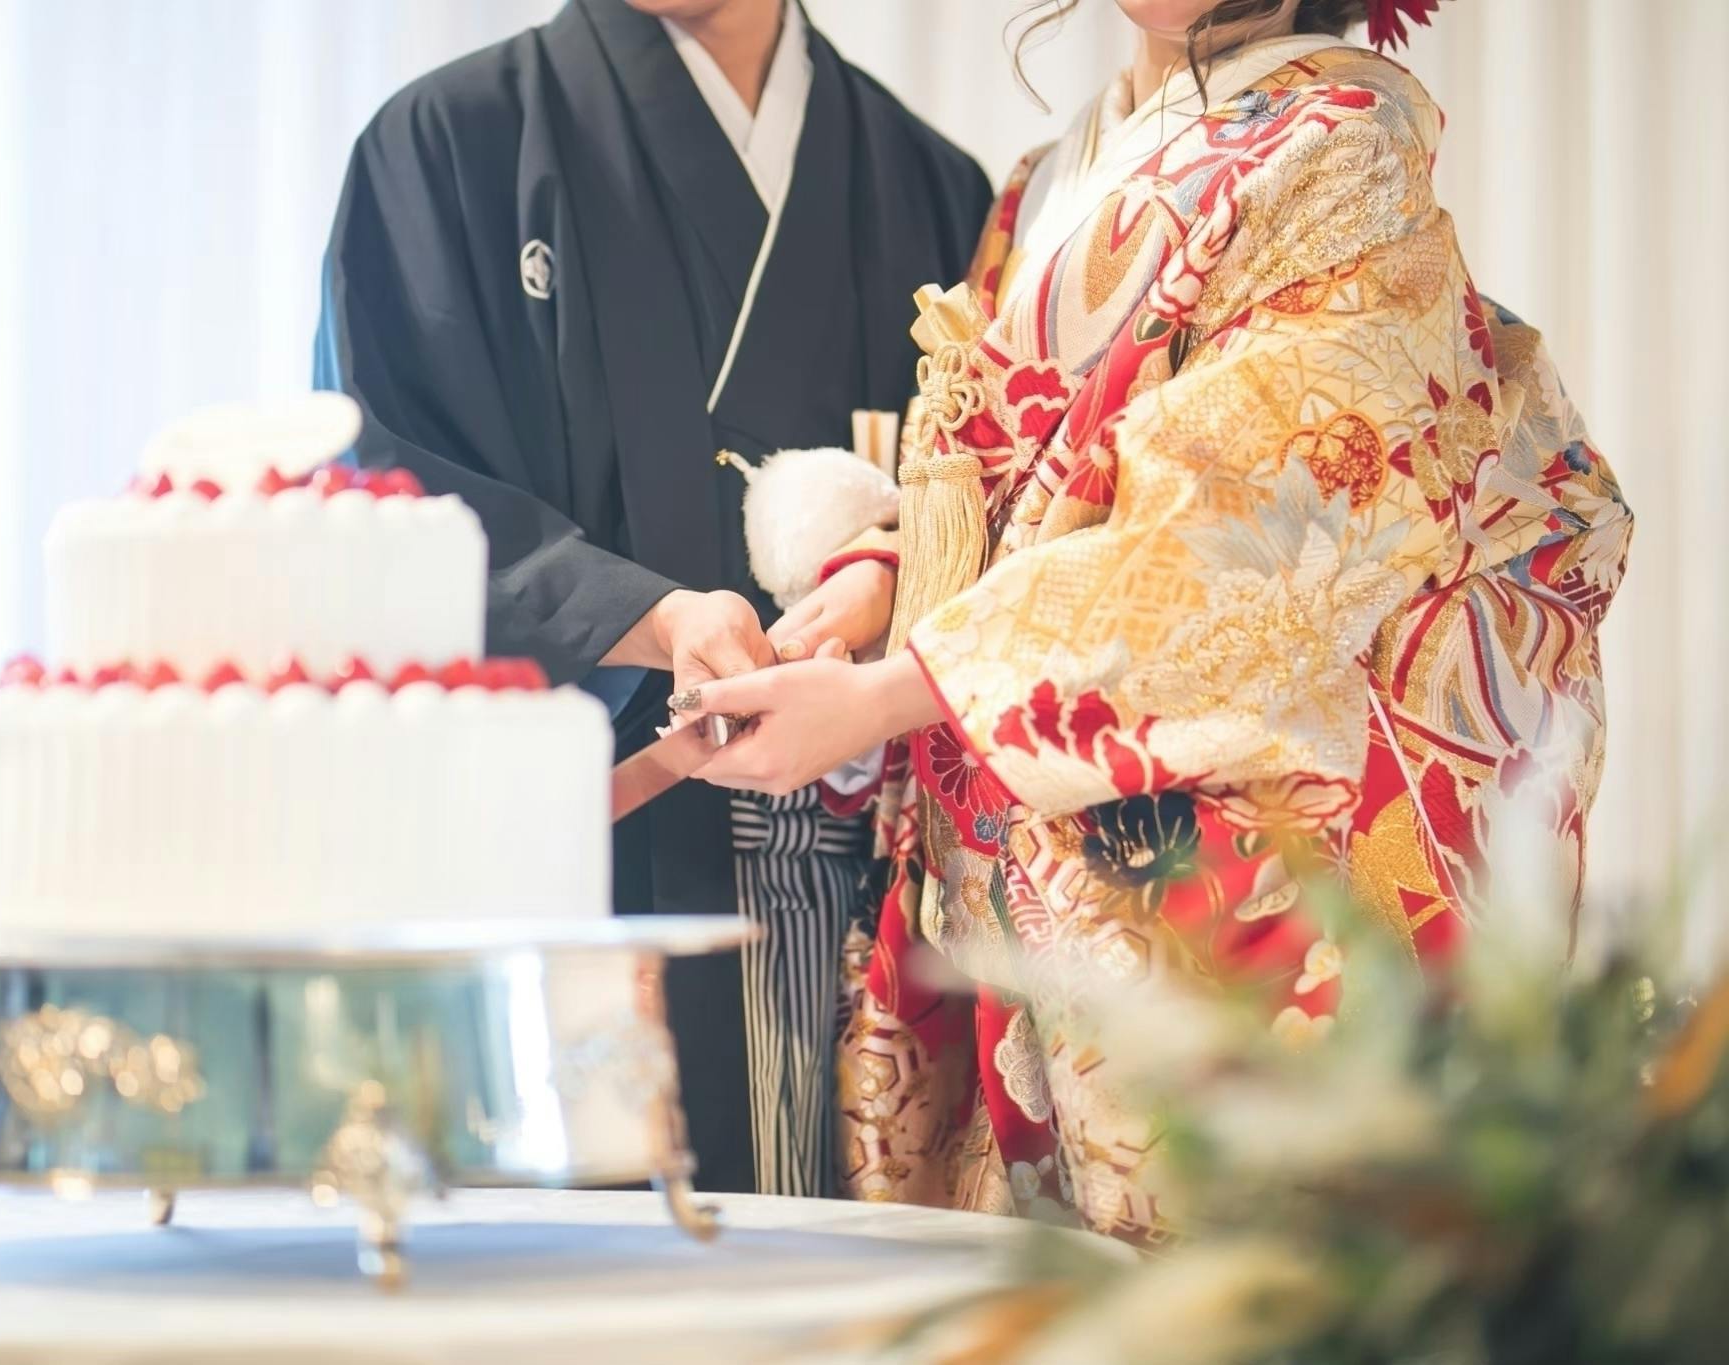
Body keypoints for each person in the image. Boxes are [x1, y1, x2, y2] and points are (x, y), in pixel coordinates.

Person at [684, 0, 1633, 1240]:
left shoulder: (1340, 143)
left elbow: (1257, 524)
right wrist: (889, 568)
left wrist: (892, 691)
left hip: (1219, 836)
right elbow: (1004, 482)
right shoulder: (1042, 177)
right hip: (1020, 817)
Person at [314, 0, 991, 1195]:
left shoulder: (928, 184)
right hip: (574, 846)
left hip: (857, 873)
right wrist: (647, 615)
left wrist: (888, 577)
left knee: (844, 1255)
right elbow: (381, 481)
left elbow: (997, 505)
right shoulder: (449, 142)